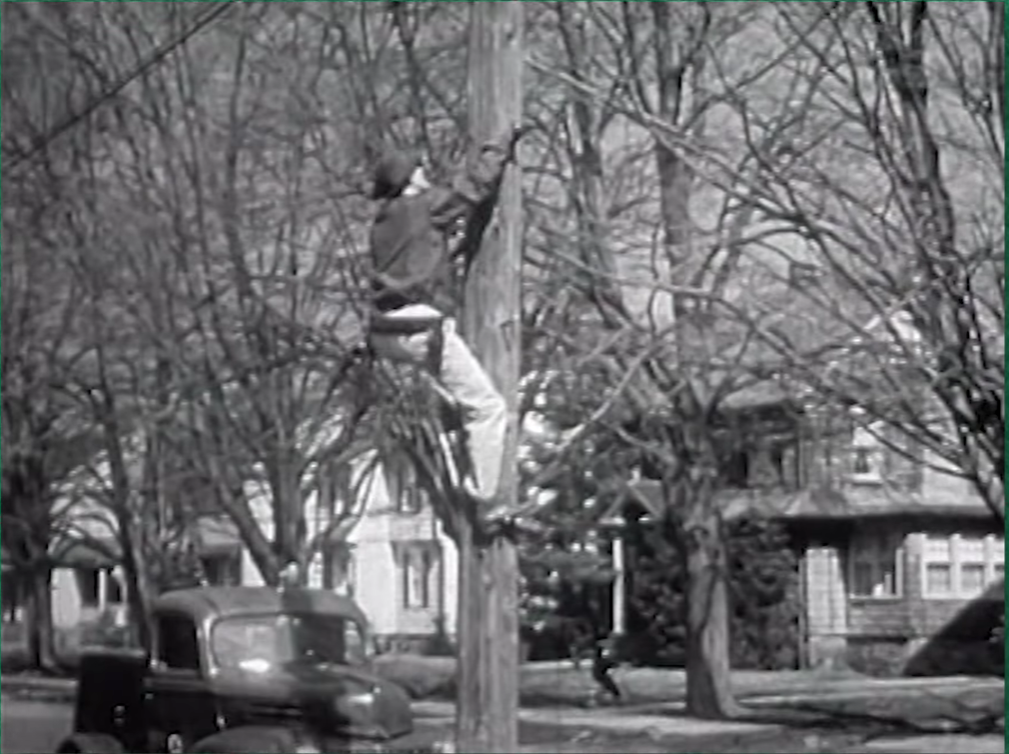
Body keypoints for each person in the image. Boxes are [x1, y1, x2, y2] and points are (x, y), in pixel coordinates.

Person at [367, 126, 528, 527]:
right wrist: (501, 143)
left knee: (458, 405)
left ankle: (464, 463)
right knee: (488, 409)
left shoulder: (383, 223)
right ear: (408, 180)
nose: (425, 173)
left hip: (385, 333)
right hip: (422, 329)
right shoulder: (422, 207)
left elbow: (419, 260)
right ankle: (490, 503)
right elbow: (474, 186)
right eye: (419, 170)